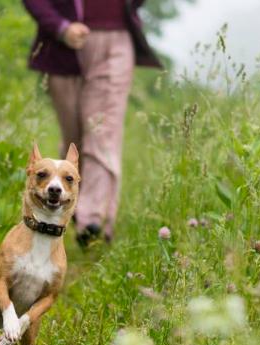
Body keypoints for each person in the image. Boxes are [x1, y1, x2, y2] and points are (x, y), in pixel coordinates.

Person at [22, 0, 162, 247]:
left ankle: (91, 219)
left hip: (116, 42)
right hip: (63, 46)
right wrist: (61, 27)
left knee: (101, 132)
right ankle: (70, 202)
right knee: (74, 139)